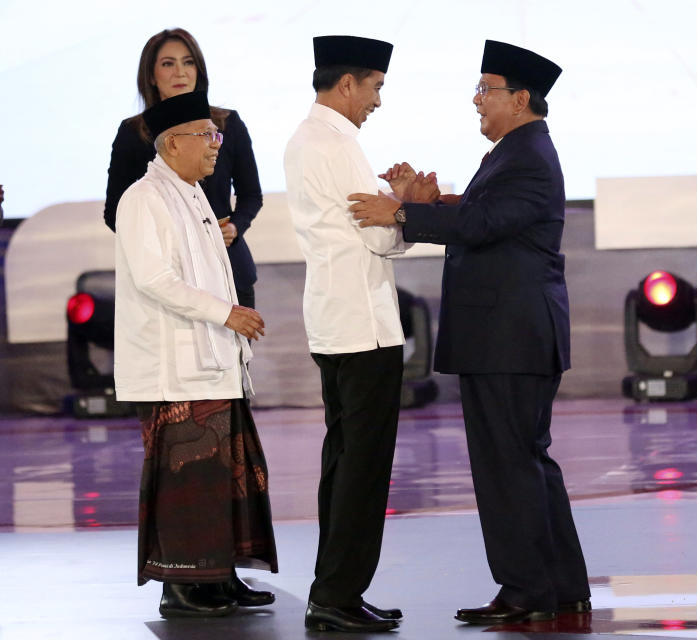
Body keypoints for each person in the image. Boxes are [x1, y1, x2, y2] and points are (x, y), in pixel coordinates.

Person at [349, 39, 591, 625]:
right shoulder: (518, 151)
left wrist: (403, 214)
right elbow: (491, 214)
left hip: (510, 337)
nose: (477, 100)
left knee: (508, 464)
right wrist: (435, 200)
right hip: (511, 335)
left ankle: (527, 591)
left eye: (487, 90)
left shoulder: (528, 153)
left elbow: (485, 223)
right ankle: (560, 585)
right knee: (527, 460)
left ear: (522, 98)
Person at [114, 91, 278, 618]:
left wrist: (229, 321)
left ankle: (219, 576)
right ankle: (182, 585)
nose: (215, 146)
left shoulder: (194, 195)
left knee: (223, 476)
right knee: (188, 479)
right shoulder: (144, 197)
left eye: (217, 135)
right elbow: (155, 279)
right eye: (206, 135)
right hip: (175, 368)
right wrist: (225, 314)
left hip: (211, 364)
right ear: (173, 142)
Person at [283, 35, 407, 633]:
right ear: (349, 83)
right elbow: (379, 234)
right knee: (362, 466)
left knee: (342, 460)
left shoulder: (305, 139)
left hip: (334, 320)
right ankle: (337, 593)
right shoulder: (338, 144)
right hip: (365, 325)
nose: (378, 100)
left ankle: (333, 587)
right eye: (376, 87)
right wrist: (408, 206)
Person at [105, 28, 262, 309]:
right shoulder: (133, 133)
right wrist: (169, 248)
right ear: (151, 76)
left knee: (240, 352)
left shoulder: (228, 124)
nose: (180, 72)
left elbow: (251, 195)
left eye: (188, 62)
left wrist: (236, 227)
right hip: (171, 278)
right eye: (168, 63)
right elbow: (115, 212)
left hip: (229, 266)